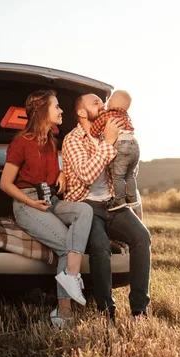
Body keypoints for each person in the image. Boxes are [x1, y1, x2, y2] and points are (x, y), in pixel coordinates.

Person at [0, 90, 93, 329]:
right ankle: (64, 313)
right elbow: (5, 184)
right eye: (57, 106)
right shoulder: (21, 142)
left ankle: (70, 276)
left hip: (50, 200)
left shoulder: (51, 142)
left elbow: (52, 170)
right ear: (43, 111)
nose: (62, 111)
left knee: (85, 211)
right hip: (27, 203)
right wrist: (30, 203)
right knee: (65, 246)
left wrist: (61, 172)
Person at [62, 92, 151, 321]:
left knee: (142, 237)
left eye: (103, 101)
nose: (102, 105)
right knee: (100, 247)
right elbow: (86, 176)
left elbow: (126, 170)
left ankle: (139, 310)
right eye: (95, 102)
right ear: (82, 112)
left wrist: (127, 146)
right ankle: (106, 310)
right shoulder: (73, 140)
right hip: (85, 206)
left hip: (113, 204)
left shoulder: (108, 133)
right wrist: (110, 143)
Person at [89, 90, 140, 211]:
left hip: (122, 145)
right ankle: (132, 198)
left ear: (110, 102)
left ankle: (119, 200)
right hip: (134, 145)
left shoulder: (108, 114)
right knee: (130, 175)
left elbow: (94, 130)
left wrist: (95, 130)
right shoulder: (126, 116)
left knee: (118, 176)